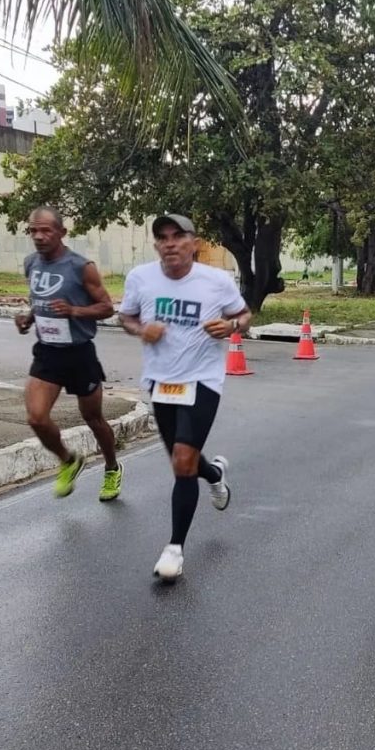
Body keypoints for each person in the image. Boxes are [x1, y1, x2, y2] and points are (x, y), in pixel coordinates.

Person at [118, 213, 252, 580]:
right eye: (162, 237)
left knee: (181, 462)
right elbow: (125, 318)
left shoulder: (216, 281)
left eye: (178, 236)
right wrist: (141, 329)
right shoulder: (140, 278)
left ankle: (174, 549)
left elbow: (244, 315)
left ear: (194, 242)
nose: (170, 243)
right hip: (160, 382)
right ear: (156, 244)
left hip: (202, 381)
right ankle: (214, 474)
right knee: (186, 462)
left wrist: (230, 326)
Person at [15, 206, 123, 501]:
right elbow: (42, 301)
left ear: (62, 232)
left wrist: (75, 310)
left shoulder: (80, 266)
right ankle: (68, 460)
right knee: (36, 418)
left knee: (93, 418)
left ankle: (112, 467)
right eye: (33, 231)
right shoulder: (31, 264)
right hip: (48, 353)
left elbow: (107, 307)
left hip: (80, 354)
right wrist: (29, 317)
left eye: (45, 230)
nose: (38, 236)